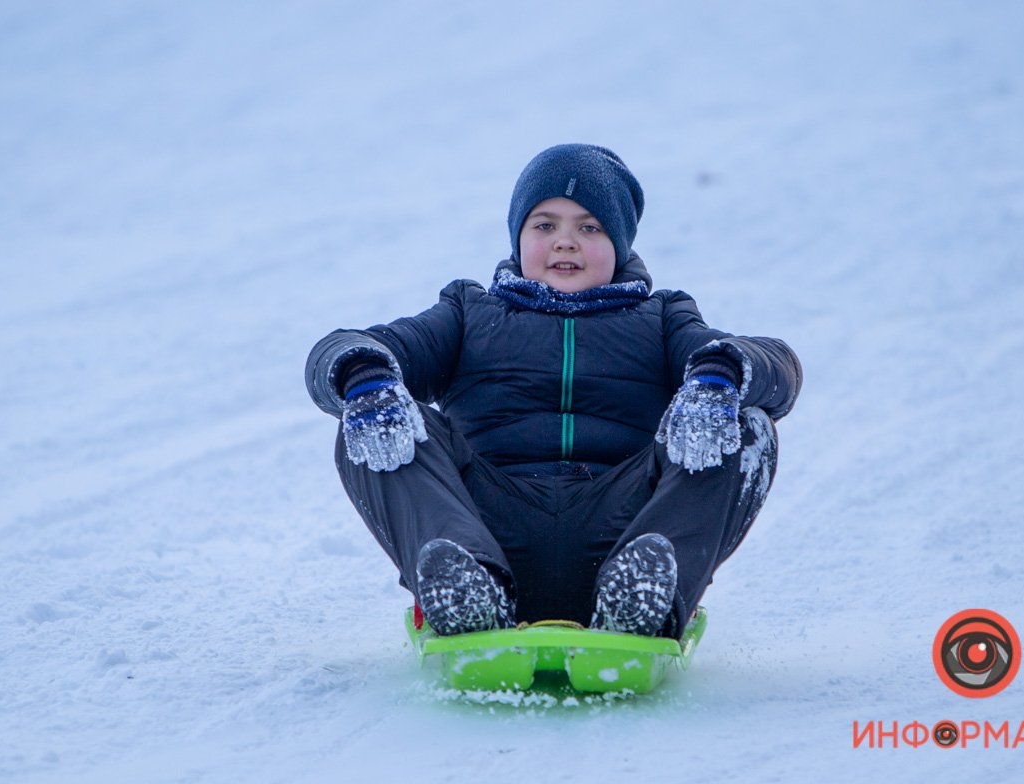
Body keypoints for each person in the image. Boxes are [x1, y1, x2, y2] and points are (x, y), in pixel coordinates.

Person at [305, 144, 801, 639]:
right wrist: (364, 379)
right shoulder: (467, 313)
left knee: (742, 421)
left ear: (621, 244)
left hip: (623, 537)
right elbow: (352, 346)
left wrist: (718, 375)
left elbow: (775, 363)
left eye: (590, 227)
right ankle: (467, 593)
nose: (566, 242)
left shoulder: (663, 320)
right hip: (485, 529)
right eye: (545, 226)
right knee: (373, 414)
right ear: (518, 237)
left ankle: (645, 598)